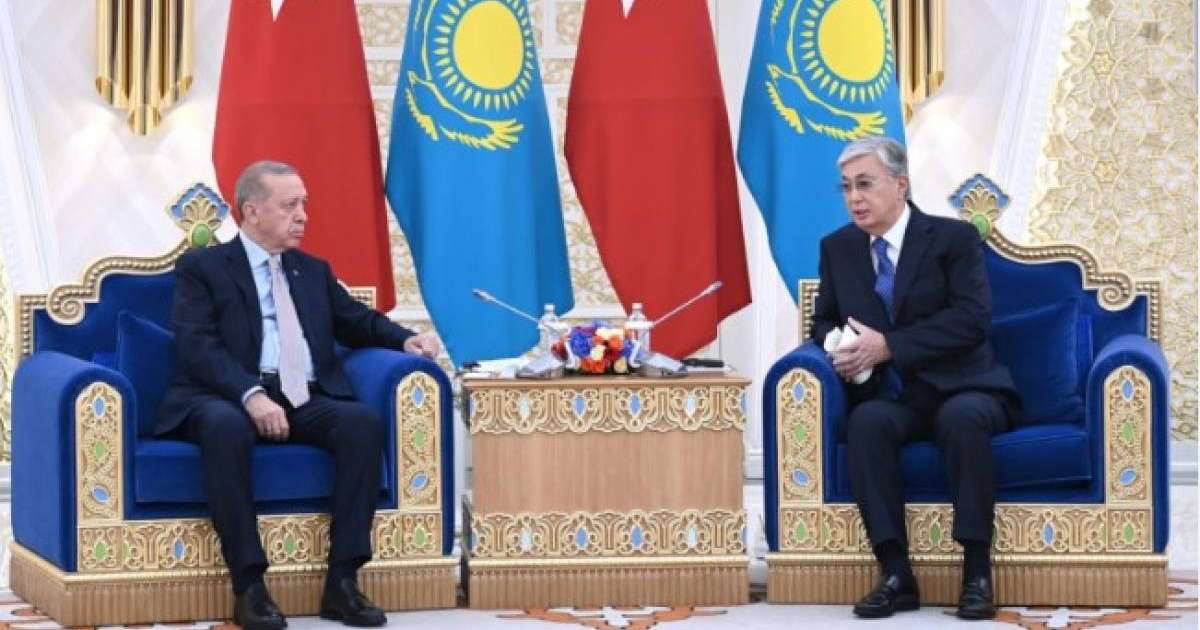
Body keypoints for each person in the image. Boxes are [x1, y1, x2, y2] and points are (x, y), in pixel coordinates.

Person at [157, 160, 440, 630]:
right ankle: (249, 586)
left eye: (304, 204)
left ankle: (343, 582)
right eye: (290, 205)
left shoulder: (311, 270)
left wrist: (405, 339)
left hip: (300, 394)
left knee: (360, 423)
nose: (303, 216)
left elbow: (356, 320)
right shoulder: (203, 268)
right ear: (252, 211)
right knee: (225, 428)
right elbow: (197, 345)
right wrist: (249, 394)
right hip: (224, 395)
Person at [812, 137, 1020, 620]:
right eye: (846, 187)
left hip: (966, 385)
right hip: (895, 396)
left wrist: (888, 346)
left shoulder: (952, 239)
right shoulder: (838, 248)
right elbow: (822, 321)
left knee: (963, 419)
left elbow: (971, 319)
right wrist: (843, 346)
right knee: (867, 423)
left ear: (900, 184)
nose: (854, 198)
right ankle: (895, 574)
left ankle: (976, 572)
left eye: (865, 184)